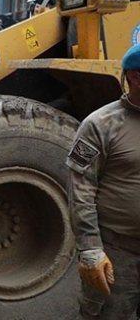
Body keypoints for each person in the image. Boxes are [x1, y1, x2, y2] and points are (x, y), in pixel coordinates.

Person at [67, 43, 140, 320]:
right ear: (135, 77)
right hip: (118, 253)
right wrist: (90, 249)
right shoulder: (100, 125)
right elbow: (80, 190)